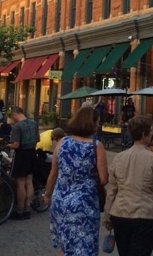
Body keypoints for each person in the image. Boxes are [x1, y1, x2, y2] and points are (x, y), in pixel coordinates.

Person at [103, 116, 153, 256]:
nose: (152, 134)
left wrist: (107, 215)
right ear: (143, 134)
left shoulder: (119, 157)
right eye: (151, 131)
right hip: (145, 214)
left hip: (121, 213)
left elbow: (112, 191)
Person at [43, 106, 108, 256]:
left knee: (65, 246)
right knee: (85, 245)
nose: (98, 126)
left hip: (60, 202)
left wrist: (47, 195)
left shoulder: (62, 142)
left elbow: (53, 173)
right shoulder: (96, 146)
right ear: (90, 124)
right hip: (84, 204)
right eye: (97, 122)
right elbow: (104, 179)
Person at [7, 107, 39, 220]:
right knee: (29, 181)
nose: (13, 118)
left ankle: (19, 210)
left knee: (20, 182)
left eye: (13, 116)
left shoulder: (17, 126)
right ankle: (27, 209)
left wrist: (8, 145)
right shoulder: (33, 123)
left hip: (21, 155)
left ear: (15, 114)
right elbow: (37, 139)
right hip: (32, 154)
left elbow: (16, 145)